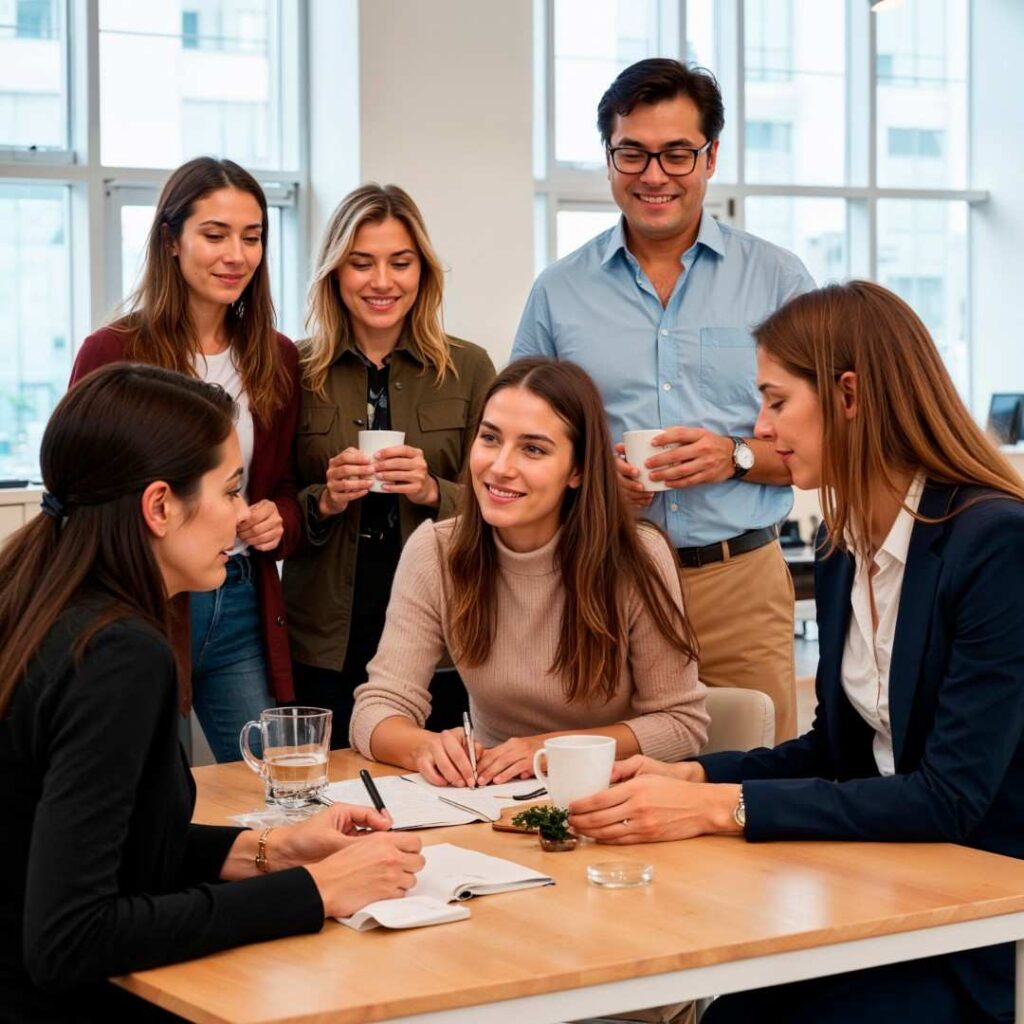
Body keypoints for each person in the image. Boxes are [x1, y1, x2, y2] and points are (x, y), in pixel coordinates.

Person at [568, 281, 1024, 1023]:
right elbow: (835, 749)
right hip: (883, 887)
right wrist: (688, 774)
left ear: (848, 395)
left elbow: (951, 796)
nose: (759, 425)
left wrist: (722, 807)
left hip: (983, 920)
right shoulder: (841, 547)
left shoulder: (994, 543)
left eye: (776, 401)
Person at [0, 364, 424, 1023]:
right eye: (230, 491)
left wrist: (267, 852)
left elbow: (105, 848)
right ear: (160, 505)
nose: (242, 512)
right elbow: (70, 937)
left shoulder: (33, 595)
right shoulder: (118, 656)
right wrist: (312, 891)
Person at [511, 58, 815, 742]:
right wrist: (584, 485)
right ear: (608, 158)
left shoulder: (778, 280)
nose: (654, 175)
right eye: (633, 153)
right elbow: (516, 445)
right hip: (603, 581)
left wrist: (734, 455)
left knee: (757, 780)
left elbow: (831, 442)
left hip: (738, 580)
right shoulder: (559, 293)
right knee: (610, 785)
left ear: (710, 157)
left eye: (677, 153)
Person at [349, 358, 709, 786]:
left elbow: (681, 724)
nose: (500, 466)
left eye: (533, 449)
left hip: (609, 794)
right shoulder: (435, 550)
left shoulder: (636, 556)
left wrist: (551, 749)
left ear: (577, 470)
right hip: (488, 800)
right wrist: (423, 746)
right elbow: (376, 708)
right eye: (489, 438)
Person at [70, 157, 301, 763]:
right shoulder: (113, 352)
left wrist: (277, 517)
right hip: (144, 602)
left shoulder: (275, 356)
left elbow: (284, 486)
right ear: (171, 240)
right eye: (215, 234)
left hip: (243, 594)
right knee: (146, 786)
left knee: (269, 784)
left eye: (252, 237)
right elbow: (76, 488)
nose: (237, 255)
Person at [284, 184, 495, 745]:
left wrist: (432, 491)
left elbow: (505, 501)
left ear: (422, 271)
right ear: (334, 272)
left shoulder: (469, 368)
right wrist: (322, 501)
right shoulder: (292, 368)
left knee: (444, 782)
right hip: (326, 630)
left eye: (400, 263)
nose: (382, 282)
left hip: (443, 625)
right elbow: (268, 502)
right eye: (361, 264)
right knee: (323, 794)